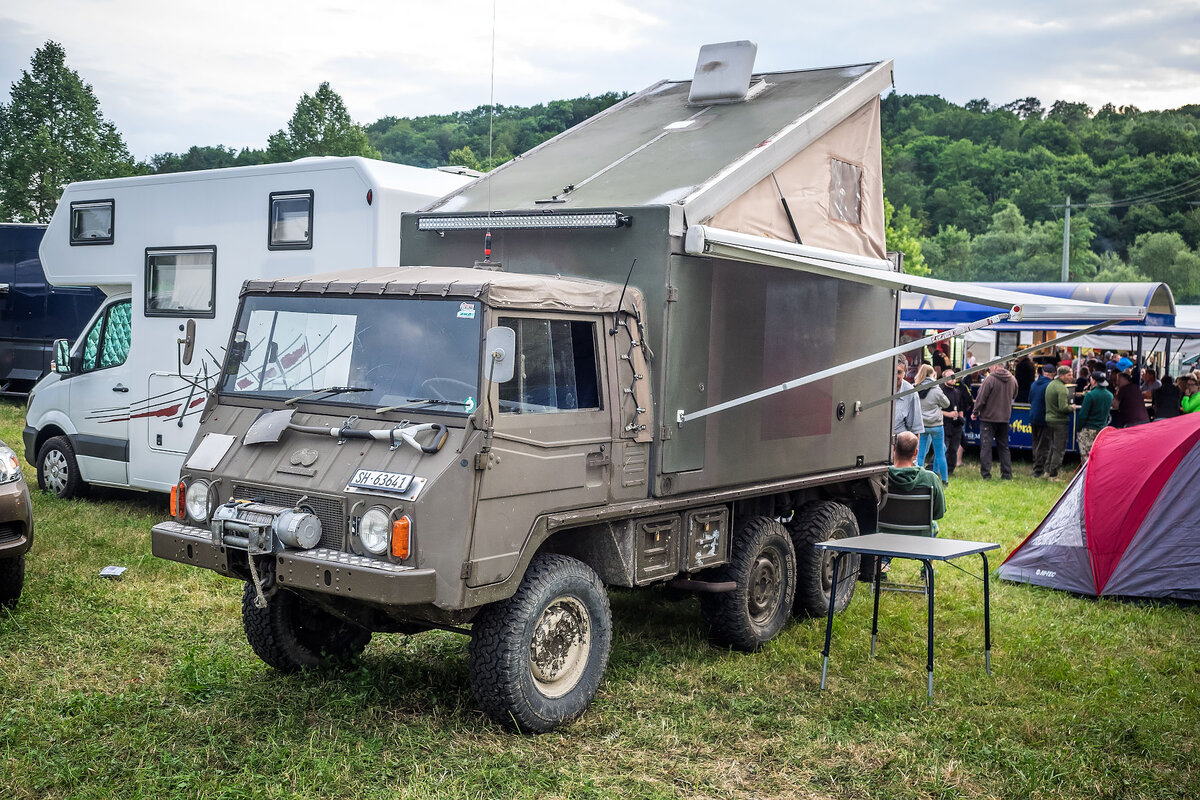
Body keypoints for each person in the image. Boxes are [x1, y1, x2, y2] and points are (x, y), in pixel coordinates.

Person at [888, 431, 946, 534]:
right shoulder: (930, 479)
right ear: (916, 453)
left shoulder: (882, 476)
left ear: (894, 448)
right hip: (919, 538)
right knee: (934, 526)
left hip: (885, 536)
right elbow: (938, 513)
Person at [972, 362, 1018, 480]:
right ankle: (1007, 474)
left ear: (996, 367)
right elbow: (1014, 395)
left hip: (988, 418)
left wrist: (975, 411)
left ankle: (986, 474)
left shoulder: (990, 379)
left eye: (991, 367)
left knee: (986, 446)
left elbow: (981, 398)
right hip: (1005, 418)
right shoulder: (1013, 379)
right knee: (1004, 447)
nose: (989, 369)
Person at [914, 364, 950, 485]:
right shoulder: (936, 389)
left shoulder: (916, 388)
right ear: (932, 374)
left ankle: (918, 478)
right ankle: (944, 481)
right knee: (940, 453)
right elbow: (946, 404)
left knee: (920, 454)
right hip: (936, 425)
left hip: (922, 425)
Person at [1044, 365, 1073, 481]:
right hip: (1060, 421)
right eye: (1069, 375)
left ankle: (1047, 471)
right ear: (1062, 375)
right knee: (1059, 449)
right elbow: (1063, 408)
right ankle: (1053, 475)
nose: (1072, 377)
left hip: (1049, 419)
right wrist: (1072, 408)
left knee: (1052, 447)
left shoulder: (1051, 384)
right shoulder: (1062, 389)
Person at [941, 368, 972, 478]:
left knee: (954, 449)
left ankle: (950, 470)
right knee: (943, 448)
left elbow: (961, 408)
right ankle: (935, 469)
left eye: (954, 377)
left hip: (956, 425)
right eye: (950, 377)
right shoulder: (940, 391)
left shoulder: (958, 392)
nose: (953, 379)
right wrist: (948, 414)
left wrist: (961, 418)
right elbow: (936, 410)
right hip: (944, 424)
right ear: (944, 378)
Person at [1075, 373, 1113, 461]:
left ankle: (1086, 474)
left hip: (1088, 428)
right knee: (1098, 454)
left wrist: (1079, 427)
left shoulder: (1090, 395)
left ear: (1094, 381)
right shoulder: (1110, 395)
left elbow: (1083, 414)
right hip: (1101, 428)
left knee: (1086, 455)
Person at [1028, 364, 1054, 478]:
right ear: (1053, 374)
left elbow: (1030, 399)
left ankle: (1037, 465)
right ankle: (1038, 470)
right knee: (1043, 445)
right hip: (1045, 418)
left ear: (1043, 373)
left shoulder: (1034, 384)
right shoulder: (1050, 386)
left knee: (1036, 443)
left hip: (1034, 416)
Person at [893, 357, 925, 437]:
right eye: (892, 371)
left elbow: (915, 429)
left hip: (900, 444)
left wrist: (915, 448)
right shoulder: (879, 389)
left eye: (899, 372)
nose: (895, 376)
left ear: (905, 373)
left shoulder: (911, 393)